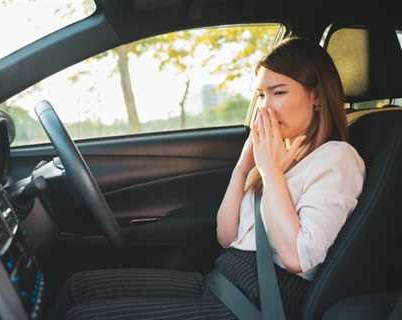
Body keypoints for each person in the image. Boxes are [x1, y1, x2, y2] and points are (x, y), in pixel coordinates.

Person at [48, 38, 366, 320]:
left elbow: (297, 258)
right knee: (78, 287)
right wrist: (244, 167)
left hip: (252, 305)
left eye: (278, 93)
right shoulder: (281, 155)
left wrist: (271, 174)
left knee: (83, 315)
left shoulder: (336, 158)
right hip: (220, 283)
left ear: (317, 97)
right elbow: (227, 238)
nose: (265, 108)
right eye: (261, 95)